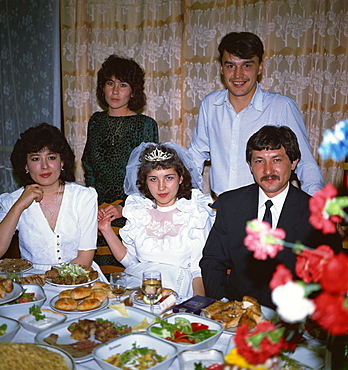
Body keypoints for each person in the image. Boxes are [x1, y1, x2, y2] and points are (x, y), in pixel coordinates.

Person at [200, 125, 342, 308]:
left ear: (293, 162)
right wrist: (223, 306)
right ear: (250, 166)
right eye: (259, 161)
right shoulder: (230, 204)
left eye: (276, 160)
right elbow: (212, 261)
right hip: (236, 316)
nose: (268, 171)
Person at [189, 31, 324, 197]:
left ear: (260, 67)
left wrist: (317, 208)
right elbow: (195, 157)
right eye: (231, 65)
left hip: (265, 210)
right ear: (221, 68)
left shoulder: (281, 106)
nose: (238, 74)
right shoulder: (210, 104)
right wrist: (187, 201)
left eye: (247, 65)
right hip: (220, 209)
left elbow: (305, 163)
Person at [0, 123, 107, 280]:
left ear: (62, 162)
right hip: (32, 282)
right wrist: (19, 206)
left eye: (51, 157)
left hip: (79, 278)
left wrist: (47, 278)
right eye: (36, 159)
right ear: (25, 165)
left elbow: (85, 259)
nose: (45, 166)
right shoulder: (13, 200)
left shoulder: (83, 197)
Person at [97, 142, 216, 298]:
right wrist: (105, 229)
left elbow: (197, 269)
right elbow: (131, 263)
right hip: (138, 288)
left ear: (180, 178)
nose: (161, 187)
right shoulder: (138, 210)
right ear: (145, 181)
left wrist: (197, 301)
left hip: (179, 291)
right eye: (153, 179)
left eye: (169, 178)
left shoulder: (195, 212)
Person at [82, 54, 159, 268]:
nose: (115, 91)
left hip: (130, 213)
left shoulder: (145, 124)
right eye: (110, 84)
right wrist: (93, 204)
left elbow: (148, 175)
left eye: (123, 85)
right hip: (97, 212)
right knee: (95, 279)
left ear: (133, 91)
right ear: (102, 88)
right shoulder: (95, 121)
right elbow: (88, 165)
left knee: (126, 278)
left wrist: (123, 208)